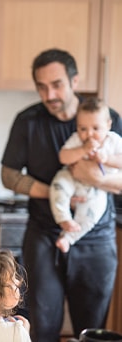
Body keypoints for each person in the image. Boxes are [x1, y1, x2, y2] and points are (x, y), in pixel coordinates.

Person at [0, 48, 122, 342]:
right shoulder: (28, 121)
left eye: (56, 85)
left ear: (74, 81)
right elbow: (8, 175)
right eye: (42, 87)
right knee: (42, 326)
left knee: (91, 331)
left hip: (96, 239)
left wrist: (92, 178)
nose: (49, 94)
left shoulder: (107, 119)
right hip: (43, 237)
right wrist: (56, 194)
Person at [50, 97, 122, 253]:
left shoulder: (114, 141)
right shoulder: (77, 140)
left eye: (95, 128)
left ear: (108, 125)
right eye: (83, 128)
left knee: (93, 212)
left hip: (97, 188)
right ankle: (63, 219)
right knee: (58, 184)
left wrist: (107, 159)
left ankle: (68, 238)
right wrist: (82, 150)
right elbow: (63, 157)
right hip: (72, 178)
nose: (89, 134)